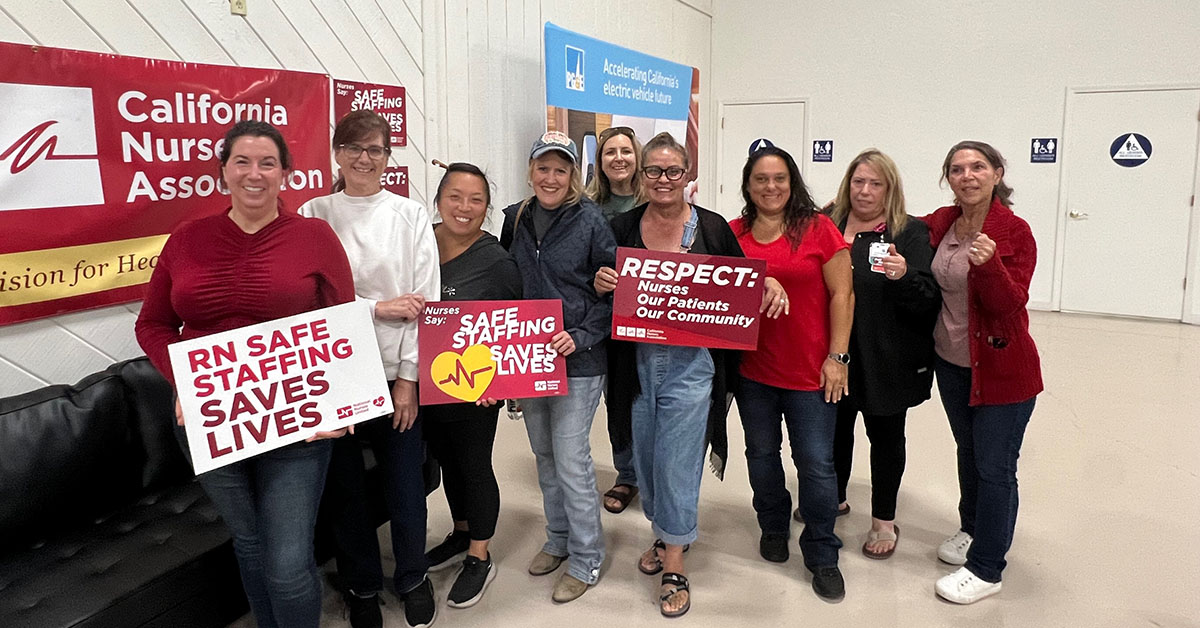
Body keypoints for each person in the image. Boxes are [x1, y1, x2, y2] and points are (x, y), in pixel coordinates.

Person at [135, 120, 355, 628]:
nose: (254, 174)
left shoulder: (314, 237)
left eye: (267, 163)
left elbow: (341, 327)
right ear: (223, 172)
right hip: (210, 417)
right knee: (251, 543)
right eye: (242, 162)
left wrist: (342, 403)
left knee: (286, 563)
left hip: (298, 420)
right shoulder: (188, 238)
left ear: (286, 175)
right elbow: (154, 324)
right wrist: (186, 382)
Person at [594, 132, 750, 618]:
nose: (663, 181)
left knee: (678, 461)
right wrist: (603, 282)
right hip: (635, 365)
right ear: (641, 176)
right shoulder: (620, 227)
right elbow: (600, 287)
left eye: (673, 172)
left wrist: (763, 282)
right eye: (654, 172)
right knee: (645, 459)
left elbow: (739, 289)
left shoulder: (714, 228)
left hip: (691, 364)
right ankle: (667, 534)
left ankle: (675, 559)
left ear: (688, 176)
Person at [298, 110, 440, 628]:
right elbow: (308, 299)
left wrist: (408, 378)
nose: (364, 158)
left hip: (394, 371)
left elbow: (426, 302)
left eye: (375, 150)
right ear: (337, 154)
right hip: (333, 373)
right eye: (354, 148)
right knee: (344, 489)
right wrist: (375, 308)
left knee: (405, 482)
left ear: (387, 157)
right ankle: (360, 584)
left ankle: (412, 576)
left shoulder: (409, 215)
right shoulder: (313, 213)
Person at [730, 145, 852, 601]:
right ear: (748, 185)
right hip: (754, 372)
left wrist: (837, 358)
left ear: (792, 181)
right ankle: (773, 526)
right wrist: (762, 278)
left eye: (779, 178)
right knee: (761, 455)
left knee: (817, 467)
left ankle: (822, 552)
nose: (771, 187)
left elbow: (844, 296)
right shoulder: (733, 233)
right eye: (761, 179)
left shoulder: (818, 229)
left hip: (810, 374)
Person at [923, 140, 1042, 604]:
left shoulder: (1013, 232)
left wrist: (990, 265)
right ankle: (971, 528)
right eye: (956, 168)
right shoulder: (944, 221)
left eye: (977, 167)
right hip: (952, 365)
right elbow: (898, 223)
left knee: (995, 468)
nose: (967, 175)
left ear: (996, 174)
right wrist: (843, 207)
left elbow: (1010, 305)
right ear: (948, 178)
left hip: (1002, 370)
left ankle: (988, 567)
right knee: (968, 453)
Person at [499, 131, 616, 604]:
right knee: (544, 455)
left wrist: (582, 334)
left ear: (574, 175)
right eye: (543, 168)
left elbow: (615, 292)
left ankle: (587, 558)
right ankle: (559, 537)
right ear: (531, 171)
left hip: (580, 357)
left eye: (561, 169)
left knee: (571, 458)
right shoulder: (516, 219)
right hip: (530, 358)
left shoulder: (591, 221)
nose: (551, 177)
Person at [827, 149, 940, 560]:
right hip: (836, 352)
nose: (865, 190)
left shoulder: (908, 232)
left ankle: (883, 519)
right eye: (858, 181)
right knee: (835, 431)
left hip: (887, 357)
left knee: (886, 438)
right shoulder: (828, 222)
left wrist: (904, 275)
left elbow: (929, 298)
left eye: (876, 183)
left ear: (889, 188)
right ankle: (835, 496)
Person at [421, 162, 521, 610]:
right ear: (439, 199)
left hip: (476, 386)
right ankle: (461, 532)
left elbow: (516, 327)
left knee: (474, 463)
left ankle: (480, 553)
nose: (464, 208)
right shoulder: (417, 245)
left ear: (487, 207)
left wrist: (500, 382)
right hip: (423, 381)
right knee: (445, 460)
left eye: (476, 199)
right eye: (455, 197)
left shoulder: (497, 261)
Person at [584, 125, 646, 514]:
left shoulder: (656, 199)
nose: (618, 158)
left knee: (646, 399)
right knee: (617, 401)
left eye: (626, 150)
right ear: (599, 160)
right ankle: (627, 474)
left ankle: (650, 471)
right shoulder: (587, 206)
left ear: (638, 157)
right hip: (601, 318)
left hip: (648, 318)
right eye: (610, 152)